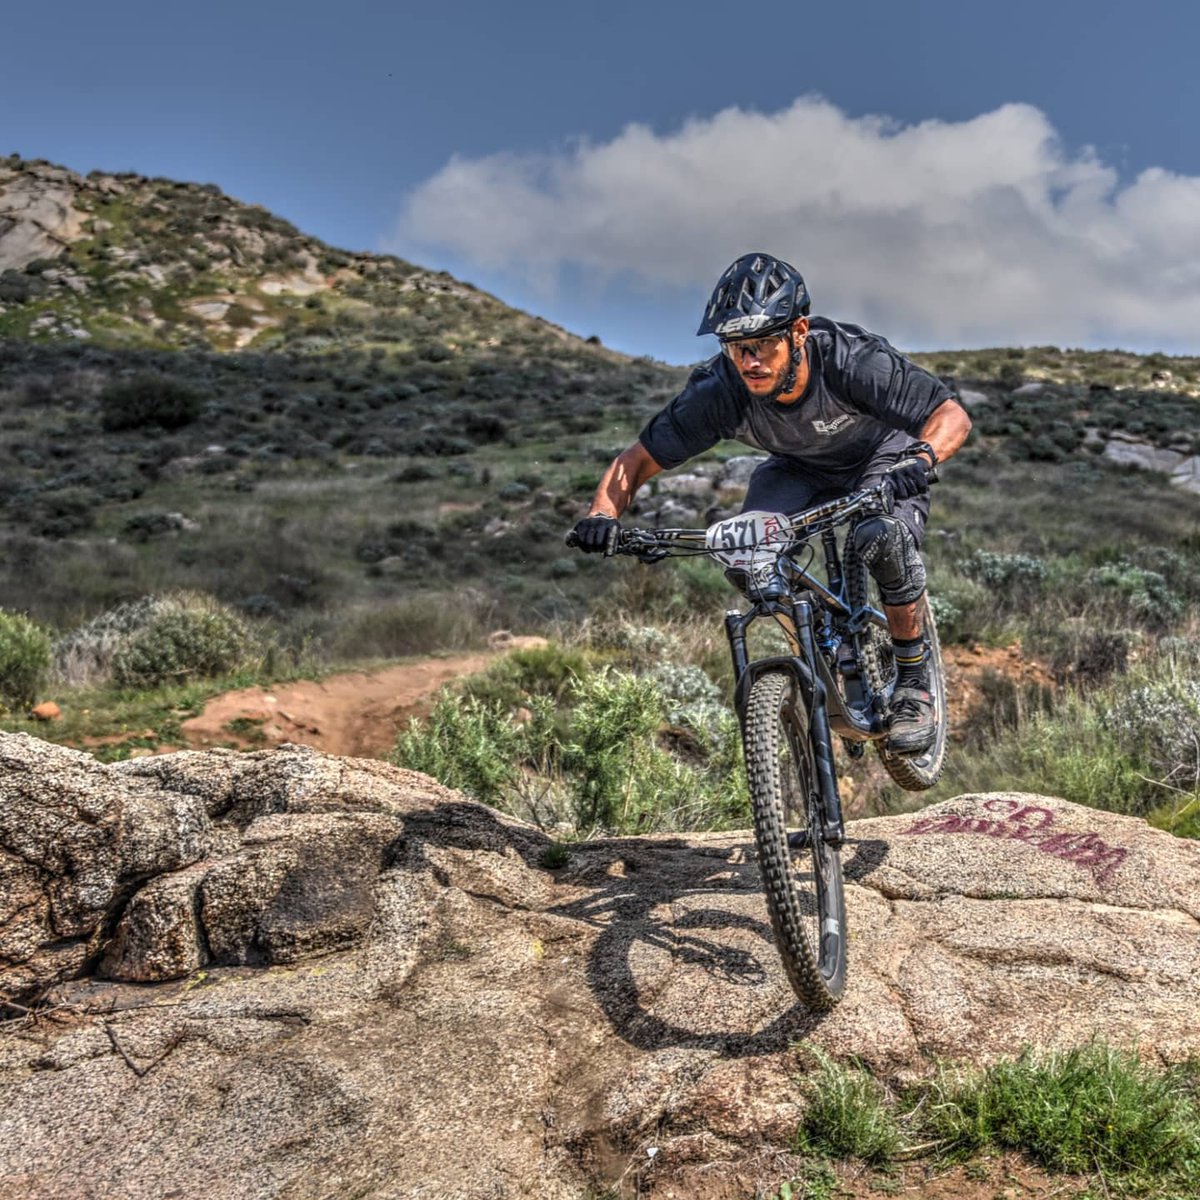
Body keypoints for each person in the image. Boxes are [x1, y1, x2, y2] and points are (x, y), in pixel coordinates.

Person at [570, 252, 972, 755]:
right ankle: (825, 644)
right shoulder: (719, 391)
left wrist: (922, 457)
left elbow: (950, 415)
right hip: (796, 466)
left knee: (880, 535)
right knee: (744, 555)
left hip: (883, 455)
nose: (750, 362)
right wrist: (602, 515)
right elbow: (636, 461)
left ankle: (914, 685)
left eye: (762, 345)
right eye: (737, 348)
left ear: (798, 331)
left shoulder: (851, 360)